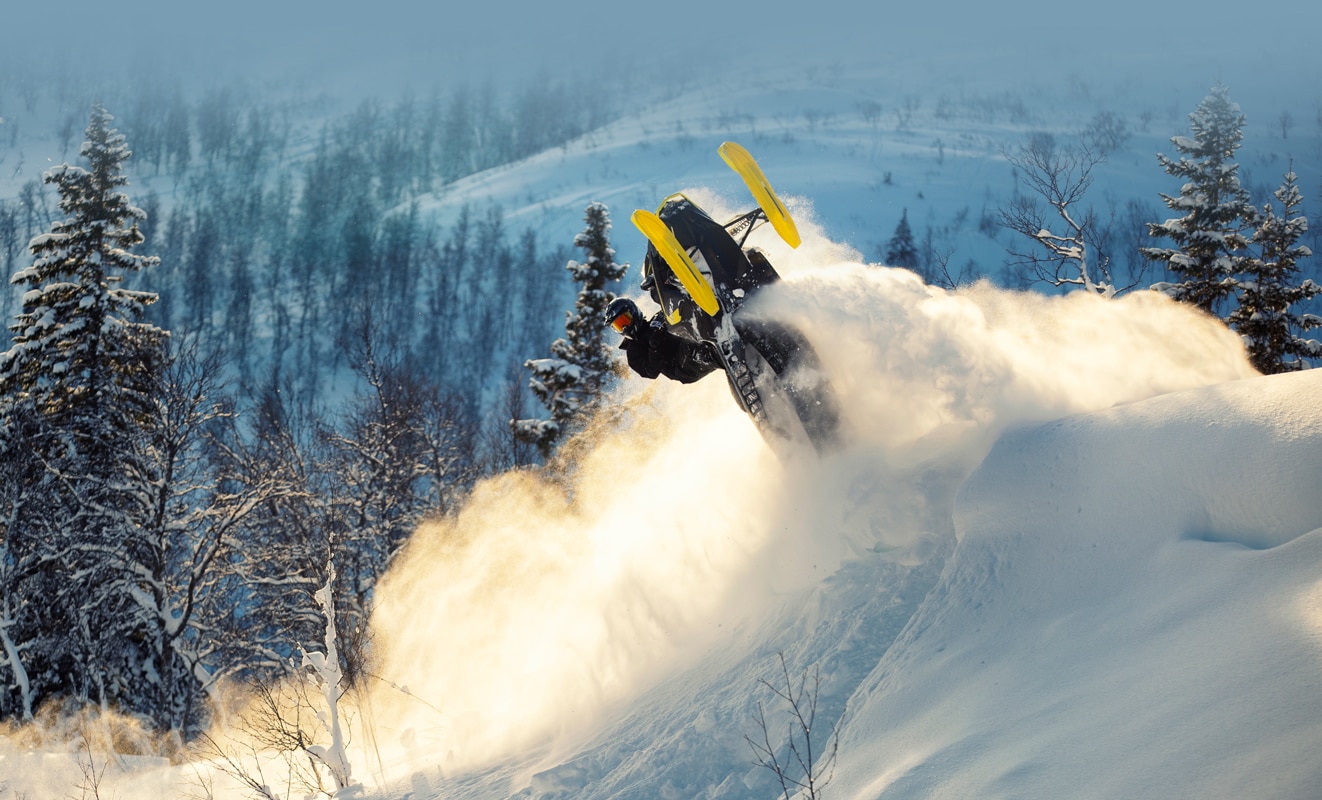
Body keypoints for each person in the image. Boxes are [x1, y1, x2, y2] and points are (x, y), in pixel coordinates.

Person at [605, 297, 719, 384]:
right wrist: (654, 347)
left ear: (634, 312)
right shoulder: (633, 352)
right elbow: (650, 372)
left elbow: (673, 310)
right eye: (618, 326)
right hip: (680, 367)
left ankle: (719, 319)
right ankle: (718, 353)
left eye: (624, 320)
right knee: (694, 349)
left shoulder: (655, 322)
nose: (624, 327)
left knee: (692, 315)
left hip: (689, 345)